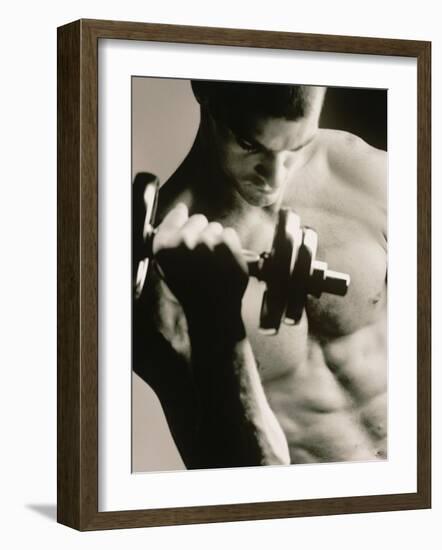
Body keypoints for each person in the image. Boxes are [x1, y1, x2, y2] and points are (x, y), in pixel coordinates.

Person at [133, 81, 387, 469]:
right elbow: (233, 478)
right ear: (205, 91)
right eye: (250, 145)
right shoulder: (158, 276)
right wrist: (214, 319)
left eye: (296, 148)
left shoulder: (372, 177)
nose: (274, 178)